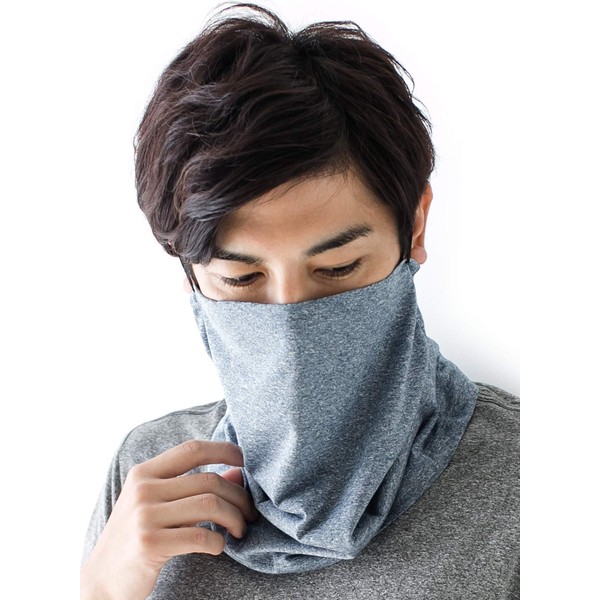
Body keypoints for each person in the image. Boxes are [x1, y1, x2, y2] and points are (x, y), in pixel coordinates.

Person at [80, 3, 519, 599]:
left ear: (414, 226)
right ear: (188, 271)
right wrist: (104, 589)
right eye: (241, 279)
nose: (290, 324)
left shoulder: (528, 480)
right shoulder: (146, 473)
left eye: (338, 268)